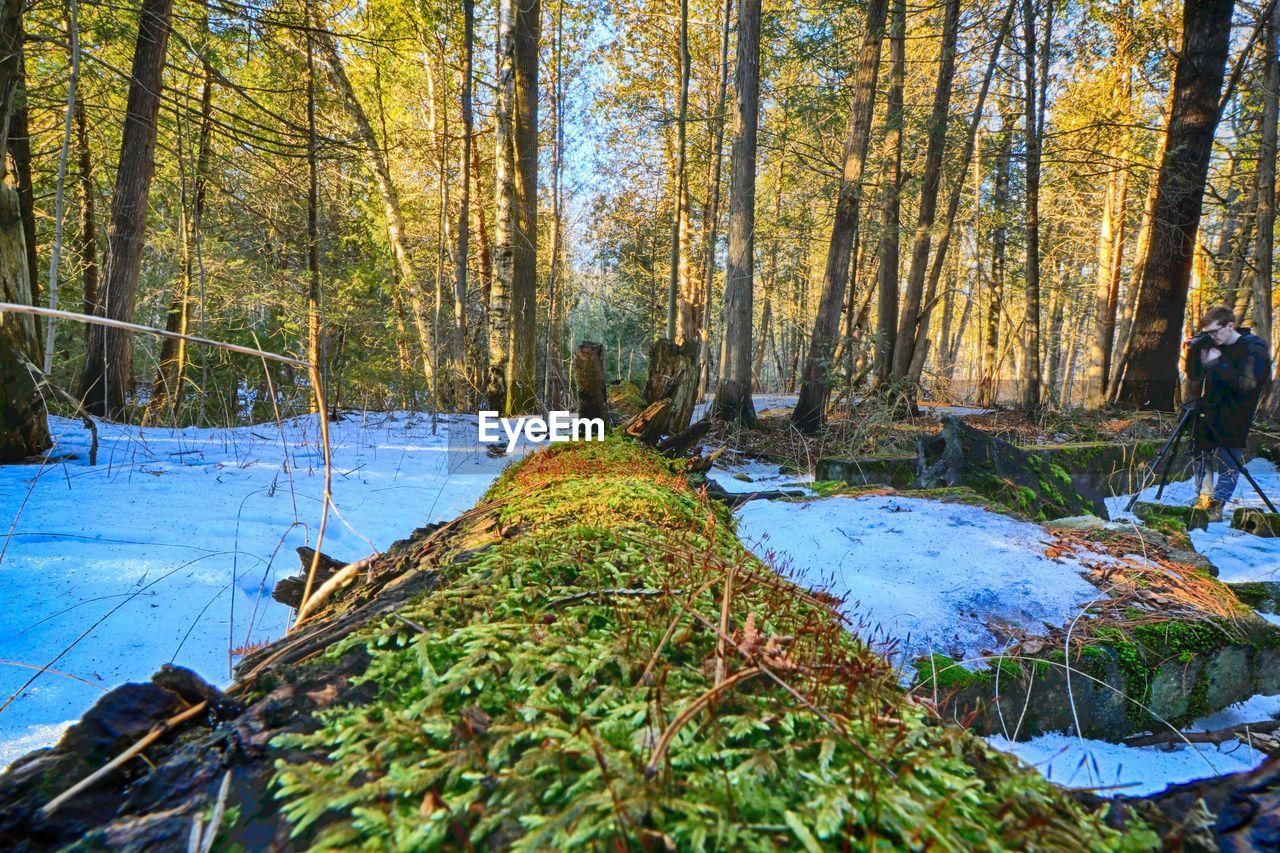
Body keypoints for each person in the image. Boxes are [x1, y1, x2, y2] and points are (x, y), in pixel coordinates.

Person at [1183, 306, 1272, 522]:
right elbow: (1194, 374)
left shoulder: (1254, 347)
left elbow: (1249, 385)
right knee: (1200, 454)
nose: (1212, 337)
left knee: (1229, 461)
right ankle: (1203, 498)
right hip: (1208, 409)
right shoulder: (1213, 344)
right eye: (1208, 334)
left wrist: (1218, 363)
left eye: (1214, 332)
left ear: (1230, 326)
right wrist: (1194, 351)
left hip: (1236, 413)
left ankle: (1217, 504)